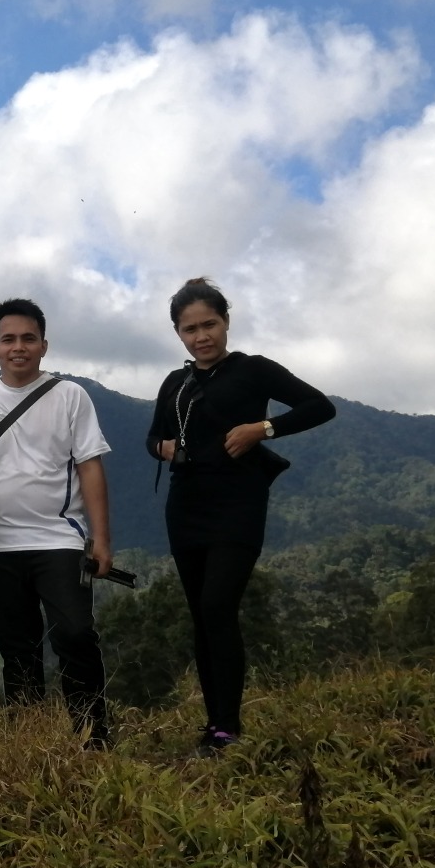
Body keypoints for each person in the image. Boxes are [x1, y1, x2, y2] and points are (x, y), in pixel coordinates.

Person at [145, 278, 335, 754]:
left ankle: (228, 726)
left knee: (217, 607)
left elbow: (319, 406)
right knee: (201, 616)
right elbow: (152, 438)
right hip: (185, 505)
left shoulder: (254, 370)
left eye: (209, 324)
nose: (201, 336)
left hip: (238, 503)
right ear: (178, 334)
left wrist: (263, 428)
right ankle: (213, 725)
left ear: (226, 322)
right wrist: (163, 448)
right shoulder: (175, 382)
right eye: (189, 329)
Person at [0, 298, 114, 743]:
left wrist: (102, 539)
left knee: (77, 637)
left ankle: (93, 737)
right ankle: (31, 743)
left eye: (28, 338)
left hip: (58, 538)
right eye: (8, 339)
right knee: (17, 651)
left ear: (44, 345)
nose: (18, 347)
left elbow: (90, 467)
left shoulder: (70, 396)